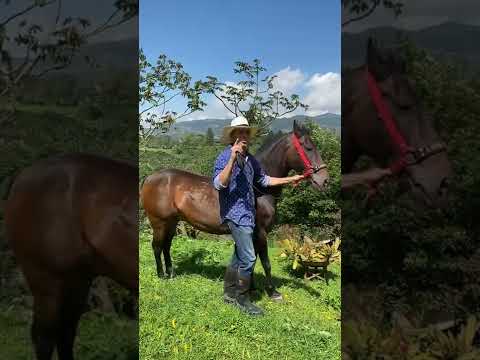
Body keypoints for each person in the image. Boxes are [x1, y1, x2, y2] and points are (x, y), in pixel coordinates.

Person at [212, 116, 304, 316]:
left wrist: (291, 179)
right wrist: (231, 158)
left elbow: (264, 179)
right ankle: (242, 300)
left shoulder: (250, 159)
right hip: (236, 213)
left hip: (248, 213)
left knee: (238, 255)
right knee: (249, 258)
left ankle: (229, 294)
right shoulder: (224, 156)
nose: (244, 136)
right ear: (233, 136)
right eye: (240, 132)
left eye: (246, 132)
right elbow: (219, 184)